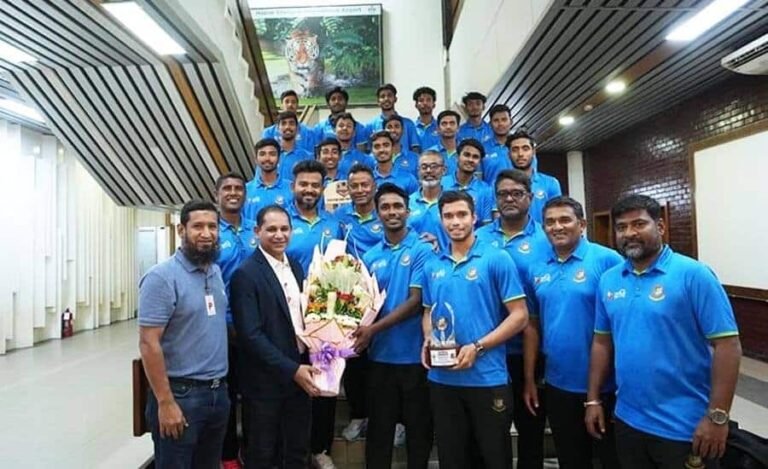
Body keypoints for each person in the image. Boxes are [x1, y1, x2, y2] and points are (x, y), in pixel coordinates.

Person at [586, 194, 742, 469]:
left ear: (660, 226)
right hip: (628, 420)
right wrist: (593, 399)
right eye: (621, 227)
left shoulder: (694, 275)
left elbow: (728, 346)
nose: (629, 233)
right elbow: (602, 342)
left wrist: (717, 417)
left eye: (639, 224)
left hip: (685, 426)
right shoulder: (609, 280)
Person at [422, 190, 529, 469]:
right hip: (442, 379)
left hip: (487, 378)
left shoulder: (496, 258)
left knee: (494, 459)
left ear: (474, 217)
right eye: (448, 216)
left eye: (461, 214)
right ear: (441, 220)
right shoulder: (433, 264)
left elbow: (520, 316)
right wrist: (428, 337)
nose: (455, 222)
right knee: (452, 459)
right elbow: (428, 311)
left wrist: (478, 347)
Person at [523, 196, 622, 469]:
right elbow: (532, 325)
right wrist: (530, 379)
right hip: (558, 385)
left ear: (582, 224)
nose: (557, 227)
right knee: (571, 460)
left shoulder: (607, 260)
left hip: (608, 386)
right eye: (550, 222)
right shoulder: (537, 267)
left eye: (565, 220)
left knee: (611, 461)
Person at [138, 200, 230, 469]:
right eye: (198, 226)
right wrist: (165, 402)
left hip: (217, 393)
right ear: (181, 230)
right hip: (181, 396)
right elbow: (148, 343)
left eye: (212, 226)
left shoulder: (214, 271)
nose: (206, 233)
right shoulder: (161, 277)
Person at [230, 204, 320, 469]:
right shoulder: (245, 274)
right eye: (271, 229)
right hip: (264, 382)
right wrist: (292, 369)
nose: (279, 235)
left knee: (297, 450)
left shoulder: (296, 267)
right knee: (263, 453)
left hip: (300, 374)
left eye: (284, 229)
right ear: (257, 231)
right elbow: (250, 335)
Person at [354, 183, 435, 469]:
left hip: (415, 358)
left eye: (398, 206)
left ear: (408, 211)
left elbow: (416, 301)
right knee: (379, 432)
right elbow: (362, 306)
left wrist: (372, 331)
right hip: (380, 358)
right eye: (385, 207)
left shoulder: (423, 249)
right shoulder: (370, 257)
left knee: (418, 431)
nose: (392, 212)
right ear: (377, 214)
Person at [475, 169, 550, 469]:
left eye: (517, 193)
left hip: (531, 350)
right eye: (503, 194)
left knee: (530, 430)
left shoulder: (546, 238)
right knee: (489, 435)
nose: (509, 199)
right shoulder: (479, 237)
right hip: (487, 350)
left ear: (530, 197)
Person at [282, 160, 343, 469]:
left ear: (323, 188)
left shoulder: (334, 225)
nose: (309, 189)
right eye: (303, 184)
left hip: (326, 321)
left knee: (325, 386)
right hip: (288, 320)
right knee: (293, 384)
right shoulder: (282, 223)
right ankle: (293, 452)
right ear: (293, 186)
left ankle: (321, 449)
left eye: (315, 185)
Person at [215, 173, 258, 468]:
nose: (233, 193)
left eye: (238, 188)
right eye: (227, 188)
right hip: (223, 328)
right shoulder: (211, 232)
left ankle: (254, 452)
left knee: (256, 394)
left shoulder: (256, 229)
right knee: (227, 395)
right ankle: (228, 456)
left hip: (257, 327)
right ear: (217, 194)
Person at [482, 130, 561, 223]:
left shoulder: (551, 183)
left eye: (525, 149)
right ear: (508, 154)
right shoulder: (497, 184)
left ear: (533, 152)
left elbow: (557, 216)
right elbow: (497, 218)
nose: (520, 154)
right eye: (515, 149)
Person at [441, 138, 494, 227]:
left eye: (475, 157)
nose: (470, 160)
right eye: (466, 155)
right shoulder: (441, 184)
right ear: (457, 157)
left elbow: (486, 226)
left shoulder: (486, 190)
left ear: (479, 162)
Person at [408, 150, 450, 252]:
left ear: (444, 170)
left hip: (448, 259)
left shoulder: (454, 201)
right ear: (418, 171)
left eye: (434, 166)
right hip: (415, 259)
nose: (428, 171)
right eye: (424, 167)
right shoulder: (407, 203)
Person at [242, 138, 292, 224]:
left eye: (272, 154)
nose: (267, 158)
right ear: (256, 159)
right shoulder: (244, 190)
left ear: (279, 159)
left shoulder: (291, 188)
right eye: (262, 154)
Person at [337, 164, 382, 255]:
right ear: (348, 189)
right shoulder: (339, 214)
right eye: (354, 186)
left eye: (365, 185)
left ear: (375, 187)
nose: (360, 190)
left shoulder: (385, 213)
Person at [366, 83, 420, 152]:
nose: (386, 99)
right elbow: (368, 151)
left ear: (395, 99)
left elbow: (415, 149)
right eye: (382, 96)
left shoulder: (408, 124)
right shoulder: (370, 126)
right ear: (378, 101)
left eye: (389, 95)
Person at [370, 130, 419, 195]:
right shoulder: (368, 180)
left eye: (386, 145)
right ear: (372, 151)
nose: (381, 150)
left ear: (393, 148)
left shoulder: (409, 179)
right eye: (377, 146)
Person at [334, 112, 376, 177]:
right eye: (341, 126)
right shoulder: (327, 157)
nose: (345, 128)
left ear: (354, 132)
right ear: (334, 130)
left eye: (349, 126)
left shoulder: (365, 159)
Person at [275, 111, 313, 181]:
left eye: (291, 123)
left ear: (298, 128)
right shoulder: (269, 155)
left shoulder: (307, 157)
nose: (287, 127)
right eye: (283, 123)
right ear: (277, 128)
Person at [483, 104, 513, 175]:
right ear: (490, 124)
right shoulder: (482, 148)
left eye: (504, 119)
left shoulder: (521, 146)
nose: (500, 124)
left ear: (511, 122)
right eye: (496, 120)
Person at [429, 110, 461, 176]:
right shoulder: (429, 153)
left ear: (458, 128)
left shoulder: (465, 153)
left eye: (452, 123)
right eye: (444, 123)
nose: (448, 127)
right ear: (438, 129)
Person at [412, 86, 440, 151]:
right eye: (421, 100)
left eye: (428, 100)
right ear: (416, 105)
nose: (425, 103)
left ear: (434, 104)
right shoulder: (411, 128)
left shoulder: (440, 127)